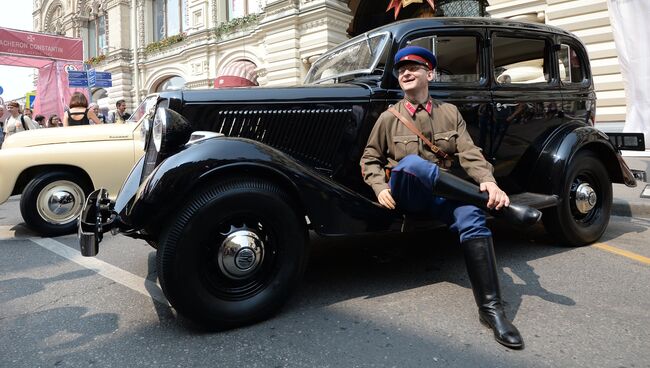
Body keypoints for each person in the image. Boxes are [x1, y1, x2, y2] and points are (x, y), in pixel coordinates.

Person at [360, 46, 541, 349]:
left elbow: (470, 154)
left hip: (442, 194)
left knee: (472, 218)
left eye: (413, 68)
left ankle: (492, 310)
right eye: (401, 69)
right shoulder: (389, 118)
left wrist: (489, 183)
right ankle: (504, 211)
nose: (405, 73)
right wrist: (379, 186)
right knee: (412, 165)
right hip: (408, 194)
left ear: (429, 74)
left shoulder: (449, 113)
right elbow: (369, 158)